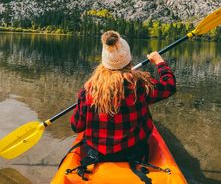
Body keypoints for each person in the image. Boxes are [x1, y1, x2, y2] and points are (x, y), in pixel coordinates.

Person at [70, 30, 176, 164]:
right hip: (134, 152)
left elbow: (77, 127)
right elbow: (169, 86)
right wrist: (159, 61)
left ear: (104, 60)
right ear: (129, 59)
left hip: (98, 155)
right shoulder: (141, 85)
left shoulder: (88, 90)